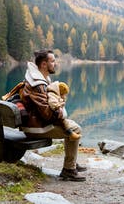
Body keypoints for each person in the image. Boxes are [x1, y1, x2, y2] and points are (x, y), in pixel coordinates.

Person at [20, 49, 86, 181]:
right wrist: (60, 110)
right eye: (53, 61)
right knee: (75, 129)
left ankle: (71, 161)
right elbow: (47, 114)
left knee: (72, 126)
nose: (55, 64)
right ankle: (69, 169)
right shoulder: (38, 84)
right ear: (44, 64)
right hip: (36, 127)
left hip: (35, 122)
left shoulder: (39, 78)